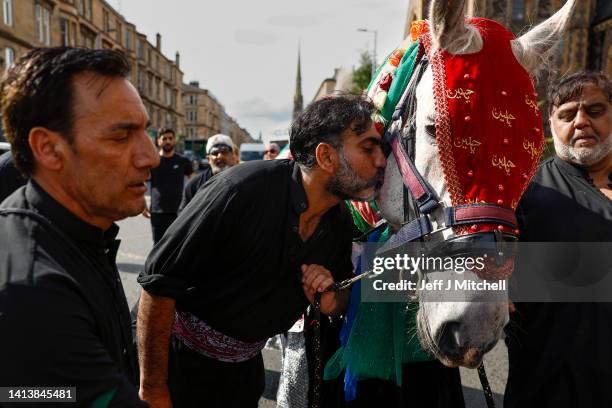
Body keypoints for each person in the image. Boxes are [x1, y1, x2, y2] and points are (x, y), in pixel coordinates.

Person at [136, 95, 386, 408]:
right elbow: (158, 286)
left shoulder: (338, 224)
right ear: (326, 157)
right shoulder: (240, 189)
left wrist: (332, 298)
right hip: (175, 365)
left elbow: (340, 299)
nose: (381, 161)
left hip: (243, 376)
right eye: (368, 148)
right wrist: (153, 390)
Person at [0, 47, 158, 406]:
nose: (150, 156)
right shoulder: (32, 290)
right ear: (49, 149)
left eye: (144, 132)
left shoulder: (84, 229)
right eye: (121, 136)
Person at [505, 71, 612, 407]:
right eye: (566, 114)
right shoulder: (521, 194)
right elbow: (465, 269)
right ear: (549, 123)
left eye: (594, 111)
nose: (580, 122)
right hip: (548, 392)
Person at [144, 128, 194, 244]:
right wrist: (142, 203)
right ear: (158, 141)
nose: (168, 141)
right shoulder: (153, 161)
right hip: (157, 212)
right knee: (158, 246)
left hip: (179, 212)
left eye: (170, 138)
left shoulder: (183, 161)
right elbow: (142, 181)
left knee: (177, 246)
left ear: (174, 141)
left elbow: (195, 182)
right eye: (164, 138)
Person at [179, 133, 238, 212]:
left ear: (232, 156)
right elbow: (183, 216)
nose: (220, 156)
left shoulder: (240, 181)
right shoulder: (194, 185)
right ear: (208, 159)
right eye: (215, 153)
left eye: (224, 152)